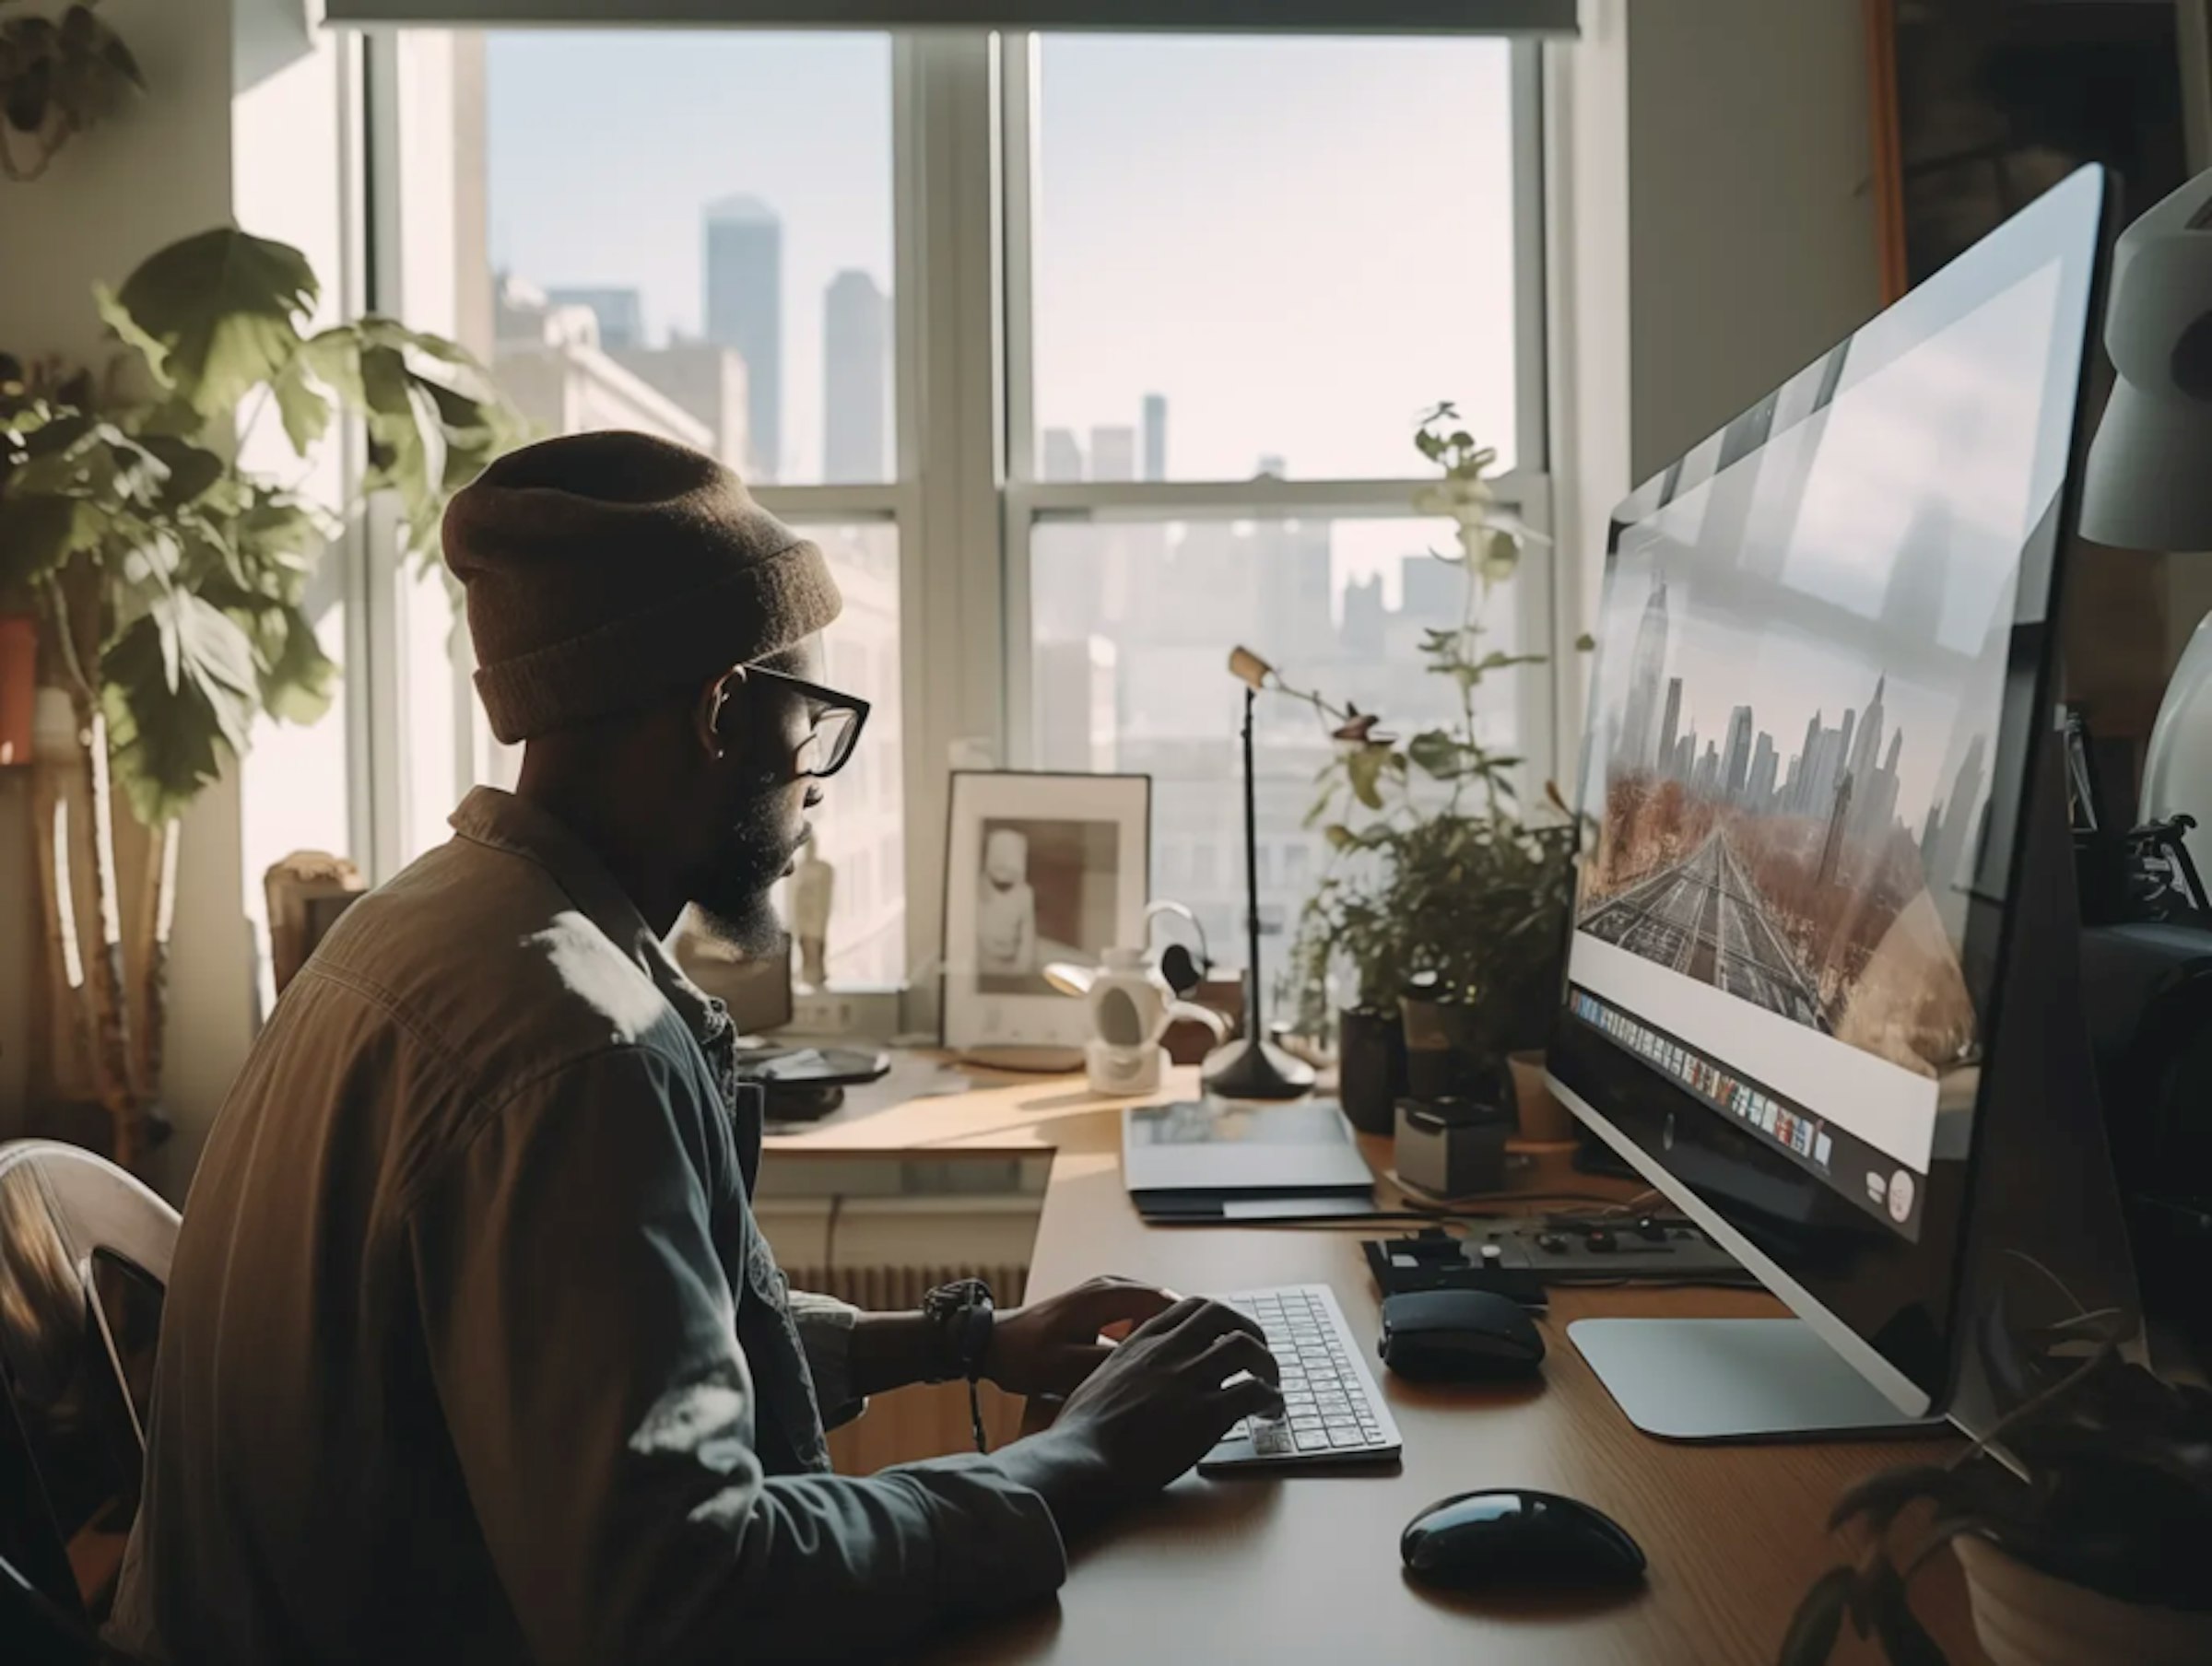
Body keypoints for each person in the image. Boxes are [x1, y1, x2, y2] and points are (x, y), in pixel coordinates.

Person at [110, 433, 1282, 1665]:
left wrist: (962, 1344)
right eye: (814, 722)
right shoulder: (577, 1052)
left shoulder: (420, 923)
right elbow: (684, 1596)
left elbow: (612, 1366)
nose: (818, 782)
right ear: (722, 710)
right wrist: (1079, 1456)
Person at [975, 827, 1038, 979]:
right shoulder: (978, 889)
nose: (1004, 877)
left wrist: (1021, 969)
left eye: (1011, 873)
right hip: (983, 959)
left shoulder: (1025, 894)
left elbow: (1028, 937)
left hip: (1012, 962)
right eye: (999, 870)